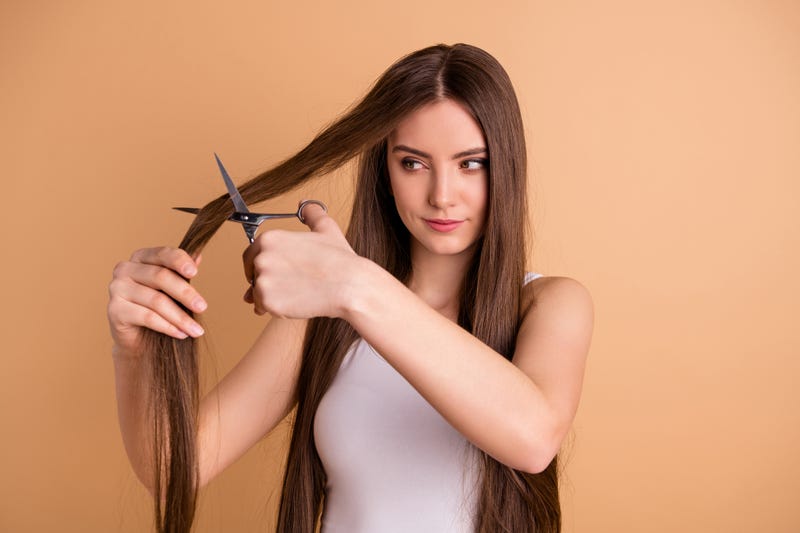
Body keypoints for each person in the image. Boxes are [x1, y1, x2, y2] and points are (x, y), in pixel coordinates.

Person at [107, 43, 594, 533]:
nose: (442, 195)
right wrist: (131, 351)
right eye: (413, 163)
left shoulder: (550, 304)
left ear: (505, 166)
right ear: (384, 170)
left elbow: (532, 439)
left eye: (471, 163)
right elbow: (172, 472)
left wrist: (353, 284)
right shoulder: (325, 316)